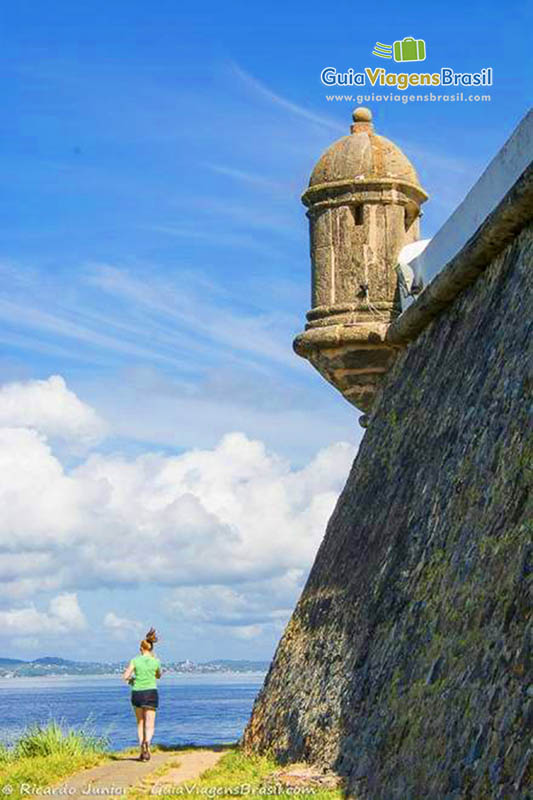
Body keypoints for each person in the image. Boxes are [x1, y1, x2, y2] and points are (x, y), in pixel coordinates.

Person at [122, 627, 161, 761]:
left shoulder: (135, 660)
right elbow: (158, 675)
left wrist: (133, 680)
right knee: (150, 724)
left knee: (140, 722)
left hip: (137, 693)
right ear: (151, 648)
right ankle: (147, 744)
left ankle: (141, 749)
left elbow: (125, 676)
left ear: (141, 648)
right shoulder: (156, 661)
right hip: (151, 692)